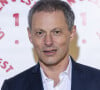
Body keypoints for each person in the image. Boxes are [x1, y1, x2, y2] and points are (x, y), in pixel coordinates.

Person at [1, 0, 100, 90]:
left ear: (72, 32)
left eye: (56, 32)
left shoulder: (97, 81)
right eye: (40, 33)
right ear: (30, 35)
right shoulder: (12, 87)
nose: (48, 42)